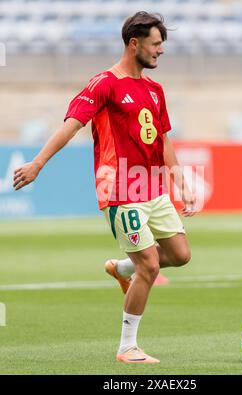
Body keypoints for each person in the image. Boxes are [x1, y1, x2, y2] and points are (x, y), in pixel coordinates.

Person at [13, 11, 197, 364]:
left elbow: (163, 140)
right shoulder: (104, 84)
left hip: (153, 188)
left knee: (179, 255)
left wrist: (181, 182)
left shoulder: (155, 90)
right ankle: (127, 346)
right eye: (156, 44)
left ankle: (120, 268)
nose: (161, 51)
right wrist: (38, 163)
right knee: (150, 267)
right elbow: (72, 125)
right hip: (120, 190)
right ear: (135, 43)